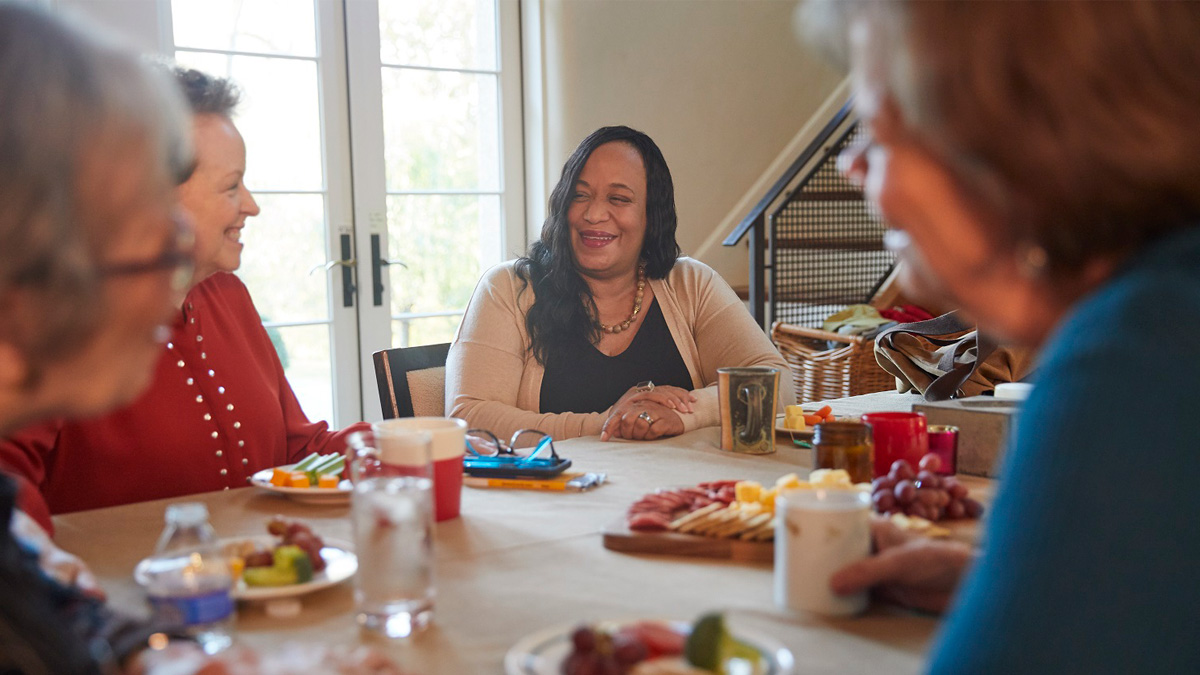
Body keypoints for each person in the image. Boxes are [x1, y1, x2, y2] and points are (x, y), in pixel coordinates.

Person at [799, 1, 1200, 672]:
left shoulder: (1134, 366)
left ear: (1002, 143)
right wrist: (1013, 578)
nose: (851, 166)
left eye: (874, 130)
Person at [0, 66, 369, 529]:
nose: (251, 205)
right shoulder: (58, 317)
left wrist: (404, 444)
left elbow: (296, 451)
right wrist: (48, 569)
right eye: (232, 186)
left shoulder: (229, 296)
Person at [446, 126, 794, 442]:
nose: (594, 215)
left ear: (651, 215)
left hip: (679, 498)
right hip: (552, 502)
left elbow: (779, 386)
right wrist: (608, 423)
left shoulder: (692, 284)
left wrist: (684, 414)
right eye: (579, 195)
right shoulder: (508, 289)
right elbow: (469, 417)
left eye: (619, 199)